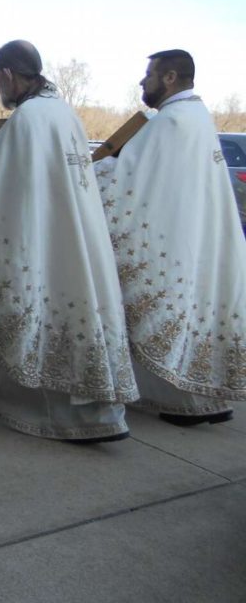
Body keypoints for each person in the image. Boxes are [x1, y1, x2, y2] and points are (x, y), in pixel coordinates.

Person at [0, 40, 138, 442]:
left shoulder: (26, 120)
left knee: (10, 304)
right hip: (70, 233)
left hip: (35, 240)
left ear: (7, 74)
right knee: (51, 315)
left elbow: (8, 185)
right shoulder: (64, 113)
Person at [95, 49, 246, 425]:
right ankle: (207, 402)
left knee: (168, 313)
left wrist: (89, 168)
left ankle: (185, 404)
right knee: (193, 317)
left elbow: (125, 177)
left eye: (148, 74)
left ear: (169, 78)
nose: (142, 81)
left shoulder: (172, 121)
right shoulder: (197, 115)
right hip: (195, 236)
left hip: (171, 245)